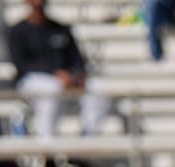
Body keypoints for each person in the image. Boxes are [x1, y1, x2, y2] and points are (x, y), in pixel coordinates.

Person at [8, 1, 111, 150]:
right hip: (33, 81)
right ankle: (47, 146)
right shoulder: (18, 31)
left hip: (66, 81)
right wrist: (55, 74)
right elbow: (21, 64)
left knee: (99, 90)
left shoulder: (60, 28)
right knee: (52, 89)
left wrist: (78, 76)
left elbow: (77, 59)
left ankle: (87, 141)